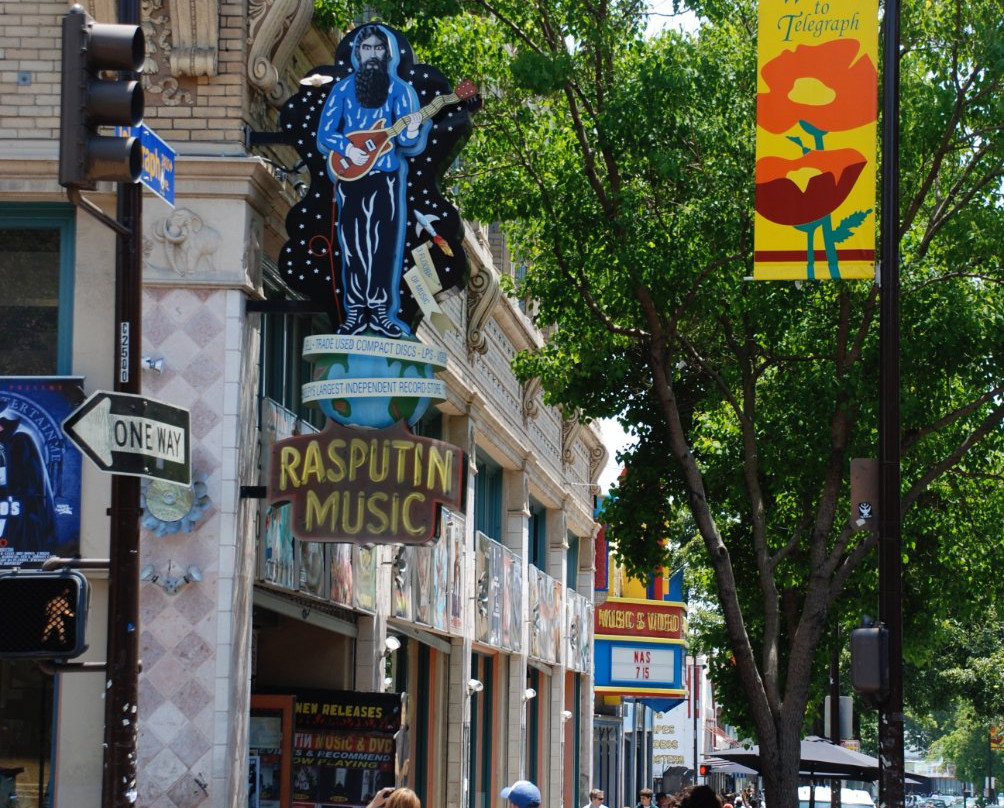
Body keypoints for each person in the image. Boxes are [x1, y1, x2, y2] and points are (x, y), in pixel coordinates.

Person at [316, 23, 428, 338]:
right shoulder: (342, 90)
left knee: (384, 244)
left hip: (386, 176)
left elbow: (408, 141)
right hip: (351, 176)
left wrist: (410, 129)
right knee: (353, 243)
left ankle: (380, 311)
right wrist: (348, 148)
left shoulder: (400, 92)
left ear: (387, 54)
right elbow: (325, 133)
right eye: (367, 48)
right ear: (358, 54)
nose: (373, 54)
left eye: (379, 48)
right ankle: (354, 311)